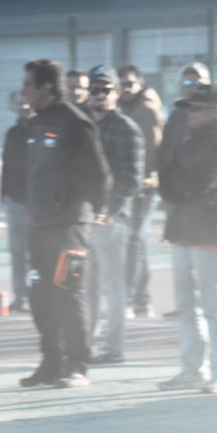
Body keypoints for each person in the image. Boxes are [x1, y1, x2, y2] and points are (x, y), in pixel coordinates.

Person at [6, 58, 110, 389]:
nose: (23, 91)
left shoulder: (75, 122)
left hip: (70, 228)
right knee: (41, 296)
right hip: (40, 227)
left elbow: (100, 176)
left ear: (46, 87)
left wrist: (80, 209)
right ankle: (52, 363)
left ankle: (78, 365)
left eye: (28, 85)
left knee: (70, 294)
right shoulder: (36, 123)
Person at [158, 86, 217, 394]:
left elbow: (202, 182)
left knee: (214, 304)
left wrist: (179, 183)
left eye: (196, 108)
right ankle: (192, 369)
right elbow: (168, 184)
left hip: (213, 229)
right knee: (186, 305)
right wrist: (178, 182)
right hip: (183, 227)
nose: (190, 114)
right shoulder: (186, 141)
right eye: (188, 108)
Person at [87, 66, 144, 364]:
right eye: (94, 89)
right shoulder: (84, 124)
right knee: (83, 284)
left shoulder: (126, 128)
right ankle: (83, 345)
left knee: (112, 285)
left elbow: (132, 179)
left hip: (112, 222)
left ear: (117, 93)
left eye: (105, 90)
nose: (99, 95)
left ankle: (113, 348)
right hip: (82, 220)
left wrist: (109, 212)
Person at [117, 64, 165, 317]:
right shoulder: (121, 108)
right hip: (128, 184)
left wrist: (141, 181)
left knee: (134, 239)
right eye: (122, 84)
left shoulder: (145, 109)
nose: (125, 88)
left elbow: (151, 148)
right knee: (136, 241)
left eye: (130, 83)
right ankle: (142, 299)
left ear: (140, 84)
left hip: (145, 186)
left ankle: (133, 298)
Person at [0, 91, 35, 314]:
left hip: (37, 201)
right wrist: (4, 191)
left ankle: (36, 296)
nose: (24, 107)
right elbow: (6, 163)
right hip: (15, 200)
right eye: (19, 103)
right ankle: (20, 297)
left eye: (27, 102)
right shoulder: (12, 133)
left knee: (36, 253)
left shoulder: (42, 129)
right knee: (17, 252)